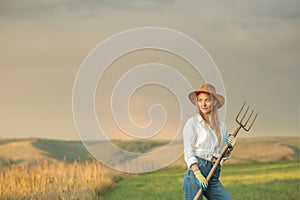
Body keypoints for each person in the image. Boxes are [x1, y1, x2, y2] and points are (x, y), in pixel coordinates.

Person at [182, 83, 236, 200]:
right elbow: (188, 151)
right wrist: (197, 173)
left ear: (215, 102)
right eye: (200, 100)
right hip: (196, 173)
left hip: (213, 175)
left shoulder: (222, 126)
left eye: (207, 100)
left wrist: (229, 148)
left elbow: (222, 154)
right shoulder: (192, 123)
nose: (203, 104)